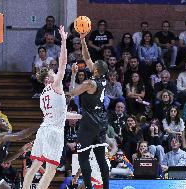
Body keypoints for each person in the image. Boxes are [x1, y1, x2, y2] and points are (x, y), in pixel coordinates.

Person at [22, 26, 79, 189]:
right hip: (54, 131)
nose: (56, 72)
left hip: (44, 129)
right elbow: (63, 63)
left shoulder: (43, 94)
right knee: (51, 169)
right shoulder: (55, 85)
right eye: (53, 72)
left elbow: (60, 114)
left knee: (34, 167)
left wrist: (79, 116)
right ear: (49, 77)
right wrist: (63, 40)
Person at [69, 31, 110, 189]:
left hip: (90, 121)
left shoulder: (90, 83)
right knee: (101, 158)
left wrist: (73, 75)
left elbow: (72, 92)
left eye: (95, 64)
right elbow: (87, 58)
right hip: (102, 120)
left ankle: (88, 187)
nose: (92, 63)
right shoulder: (103, 78)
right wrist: (82, 40)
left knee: (83, 158)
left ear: (96, 70)